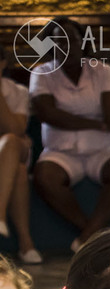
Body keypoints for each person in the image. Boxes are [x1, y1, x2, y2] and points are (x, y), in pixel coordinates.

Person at [29, 17, 110, 251]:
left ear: (83, 42)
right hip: (60, 151)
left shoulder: (102, 71)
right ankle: (92, 232)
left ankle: (86, 238)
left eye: (73, 40)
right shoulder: (41, 73)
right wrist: (94, 123)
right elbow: (48, 114)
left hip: (101, 148)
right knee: (44, 177)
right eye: (59, 42)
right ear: (51, 45)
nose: (67, 46)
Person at [0, 47, 41, 264]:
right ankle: (26, 243)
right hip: (13, 164)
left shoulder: (18, 92)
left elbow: (15, 128)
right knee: (20, 171)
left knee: (11, 141)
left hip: (13, 149)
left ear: (3, 63)